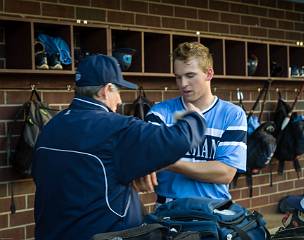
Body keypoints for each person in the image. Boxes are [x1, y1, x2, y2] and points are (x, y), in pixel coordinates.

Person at [31, 54, 206, 240]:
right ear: (106, 90)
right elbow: (176, 140)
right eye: (118, 91)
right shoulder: (117, 128)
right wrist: (193, 118)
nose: (120, 100)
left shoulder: (52, 125)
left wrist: (139, 166)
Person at [141, 42, 247, 202]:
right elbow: (147, 158)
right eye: (178, 77)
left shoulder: (232, 114)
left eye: (190, 75)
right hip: (168, 210)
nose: (183, 84)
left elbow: (225, 173)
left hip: (213, 211)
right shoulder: (159, 113)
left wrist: (169, 162)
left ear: (209, 74)